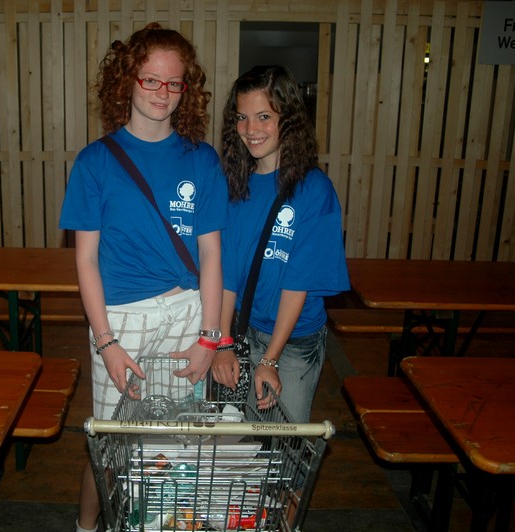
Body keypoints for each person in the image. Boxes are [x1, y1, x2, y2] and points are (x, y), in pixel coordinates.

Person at [58, 23, 227, 532]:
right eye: (150, 80)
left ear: (186, 89)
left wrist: (211, 338)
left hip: (187, 315)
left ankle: (161, 524)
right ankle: (87, 526)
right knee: (110, 443)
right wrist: (105, 341)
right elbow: (86, 261)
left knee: (175, 443)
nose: (162, 92)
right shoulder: (94, 162)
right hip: (122, 321)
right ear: (127, 80)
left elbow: (212, 254)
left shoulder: (201, 159)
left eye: (173, 83)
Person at [212, 65, 349, 422]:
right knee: (242, 435)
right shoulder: (234, 184)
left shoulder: (314, 190)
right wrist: (223, 342)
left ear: (287, 119)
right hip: (244, 331)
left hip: (293, 343)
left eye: (264, 117)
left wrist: (270, 359)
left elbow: (297, 282)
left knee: (284, 441)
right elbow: (227, 272)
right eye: (242, 117)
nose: (250, 129)